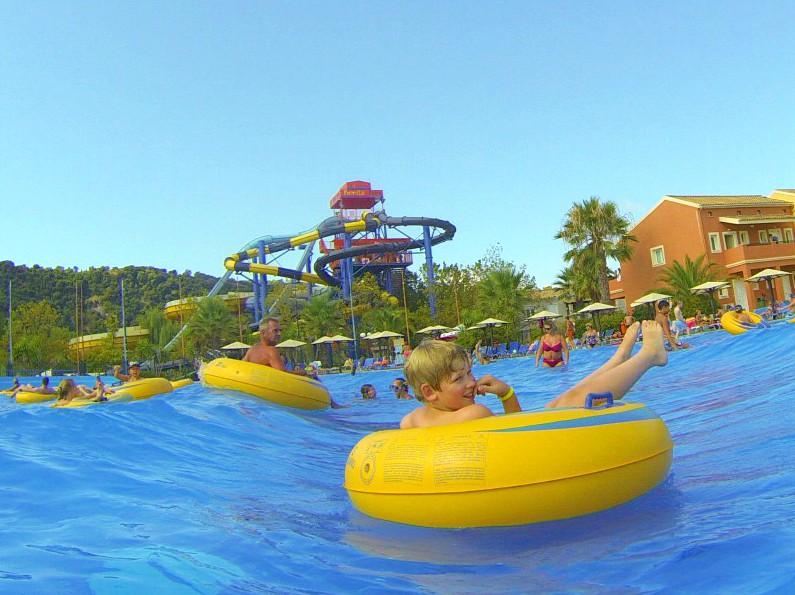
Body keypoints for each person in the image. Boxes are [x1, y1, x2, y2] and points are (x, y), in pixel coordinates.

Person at [400, 322, 666, 429]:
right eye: (459, 379)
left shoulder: (410, 422)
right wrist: (507, 394)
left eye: (470, 373)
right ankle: (647, 356)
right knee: (569, 401)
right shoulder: (473, 414)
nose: (471, 383)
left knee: (558, 403)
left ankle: (618, 359)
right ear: (428, 391)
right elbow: (518, 430)